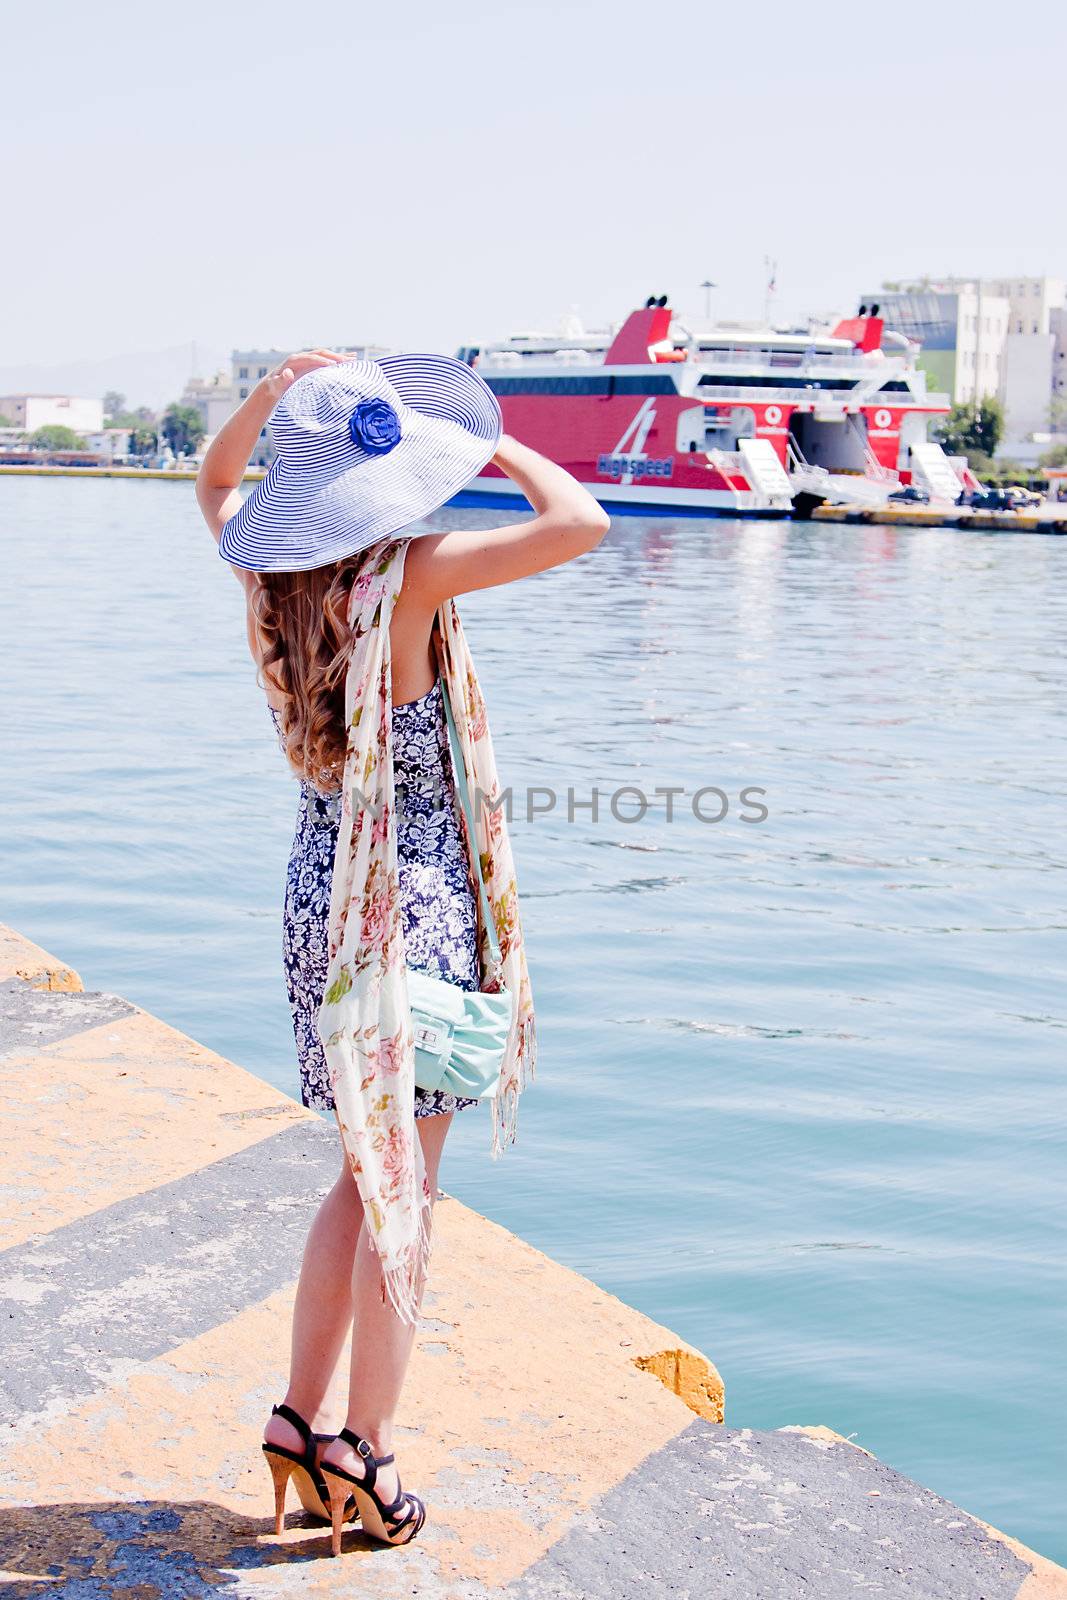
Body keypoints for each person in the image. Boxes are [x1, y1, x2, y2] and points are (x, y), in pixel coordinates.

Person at [195, 348, 608, 1552]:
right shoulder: (414, 573)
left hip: (320, 890)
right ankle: (363, 1454)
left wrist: (268, 402)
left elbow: (214, 486)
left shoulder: (264, 574)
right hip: (412, 900)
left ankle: (293, 1419)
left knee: (356, 1173)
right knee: (404, 1191)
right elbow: (576, 518)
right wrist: (482, 443)